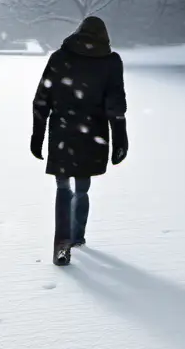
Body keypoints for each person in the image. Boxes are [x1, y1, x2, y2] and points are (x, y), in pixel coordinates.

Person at [30, 16, 128, 265]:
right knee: (82, 189)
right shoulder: (110, 62)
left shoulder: (59, 58)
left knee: (63, 189)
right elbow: (115, 107)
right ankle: (77, 236)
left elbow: (41, 100)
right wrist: (120, 140)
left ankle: (62, 245)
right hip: (91, 135)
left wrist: (37, 135)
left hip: (63, 132)